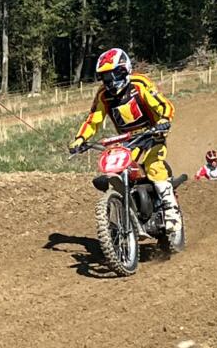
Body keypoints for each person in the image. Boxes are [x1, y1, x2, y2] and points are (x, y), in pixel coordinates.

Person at [68, 48, 181, 231]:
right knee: (118, 170)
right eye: (105, 77)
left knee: (153, 165)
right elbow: (93, 119)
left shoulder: (139, 83)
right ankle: (128, 211)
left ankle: (171, 211)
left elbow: (163, 105)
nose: (111, 81)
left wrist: (164, 120)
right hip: (128, 141)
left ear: (124, 69)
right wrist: (80, 139)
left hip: (152, 134)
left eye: (114, 74)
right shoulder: (103, 95)